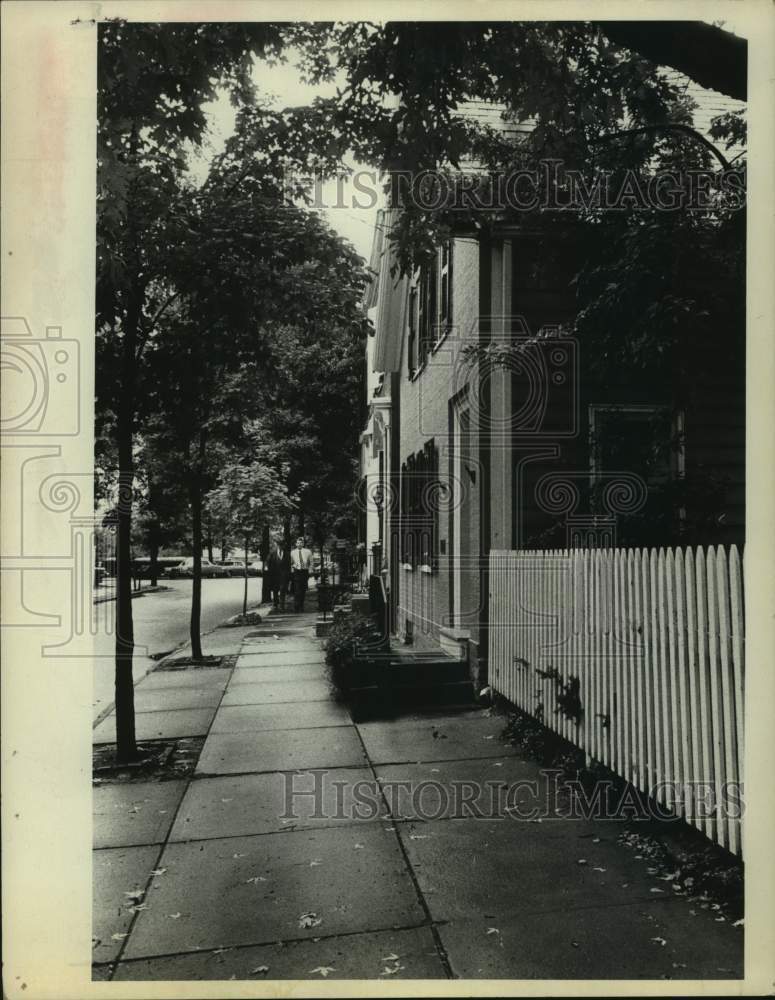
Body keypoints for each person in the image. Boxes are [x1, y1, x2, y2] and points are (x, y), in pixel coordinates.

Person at [265, 539, 291, 610]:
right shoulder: (272, 553)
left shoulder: (287, 554)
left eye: (282, 545)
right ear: (277, 545)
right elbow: (267, 561)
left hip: (283, 575)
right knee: (275, 590)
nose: (280, 547)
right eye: (279, 545)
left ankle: (282, 605)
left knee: (283, 590)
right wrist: (266, 567)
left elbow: (289, 565)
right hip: (274, 575)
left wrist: (288, 574)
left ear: (284, 546)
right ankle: (275, 604)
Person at [290, 536, 313, 611]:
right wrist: (293, 566)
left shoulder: (308, 551)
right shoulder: (293, 552)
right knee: (297, 589)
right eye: (298, 543)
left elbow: (311, 562)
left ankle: (301, 605)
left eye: (301, 543)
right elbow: (291, 563)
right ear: (296, 544)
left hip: (304, 571)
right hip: (297, 571)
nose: (299, 544)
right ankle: (296, 606)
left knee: (303, 589)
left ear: (303, 544)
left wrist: (310, 570)